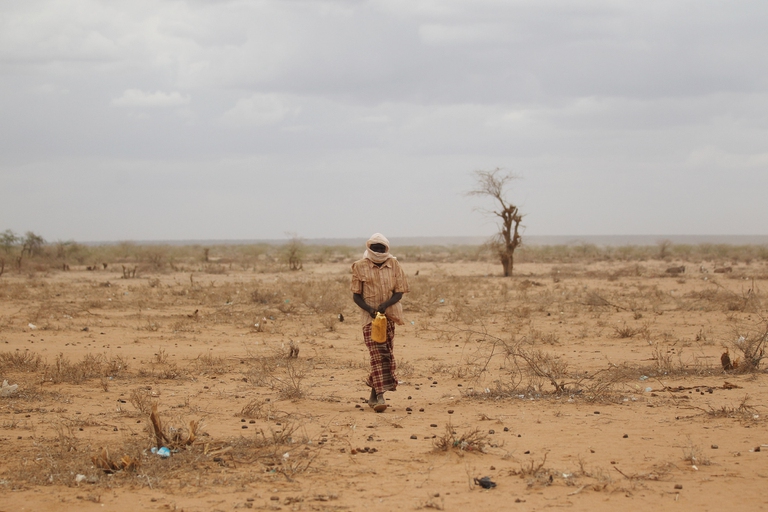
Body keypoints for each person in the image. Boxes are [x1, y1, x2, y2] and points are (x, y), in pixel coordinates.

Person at [350, 233, 410, 412]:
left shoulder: (394, 265)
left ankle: (373, 396)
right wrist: (370, 310)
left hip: (388, 317)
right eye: (374, 247)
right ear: (369, 247)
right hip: (369, 319)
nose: (377, 251)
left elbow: (400, 292)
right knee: (377, 354)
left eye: (380, 248)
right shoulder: (359, 266)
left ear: (386, 249)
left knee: (385, 354)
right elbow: (356, 295)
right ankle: (381, 396)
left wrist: (385, 305)